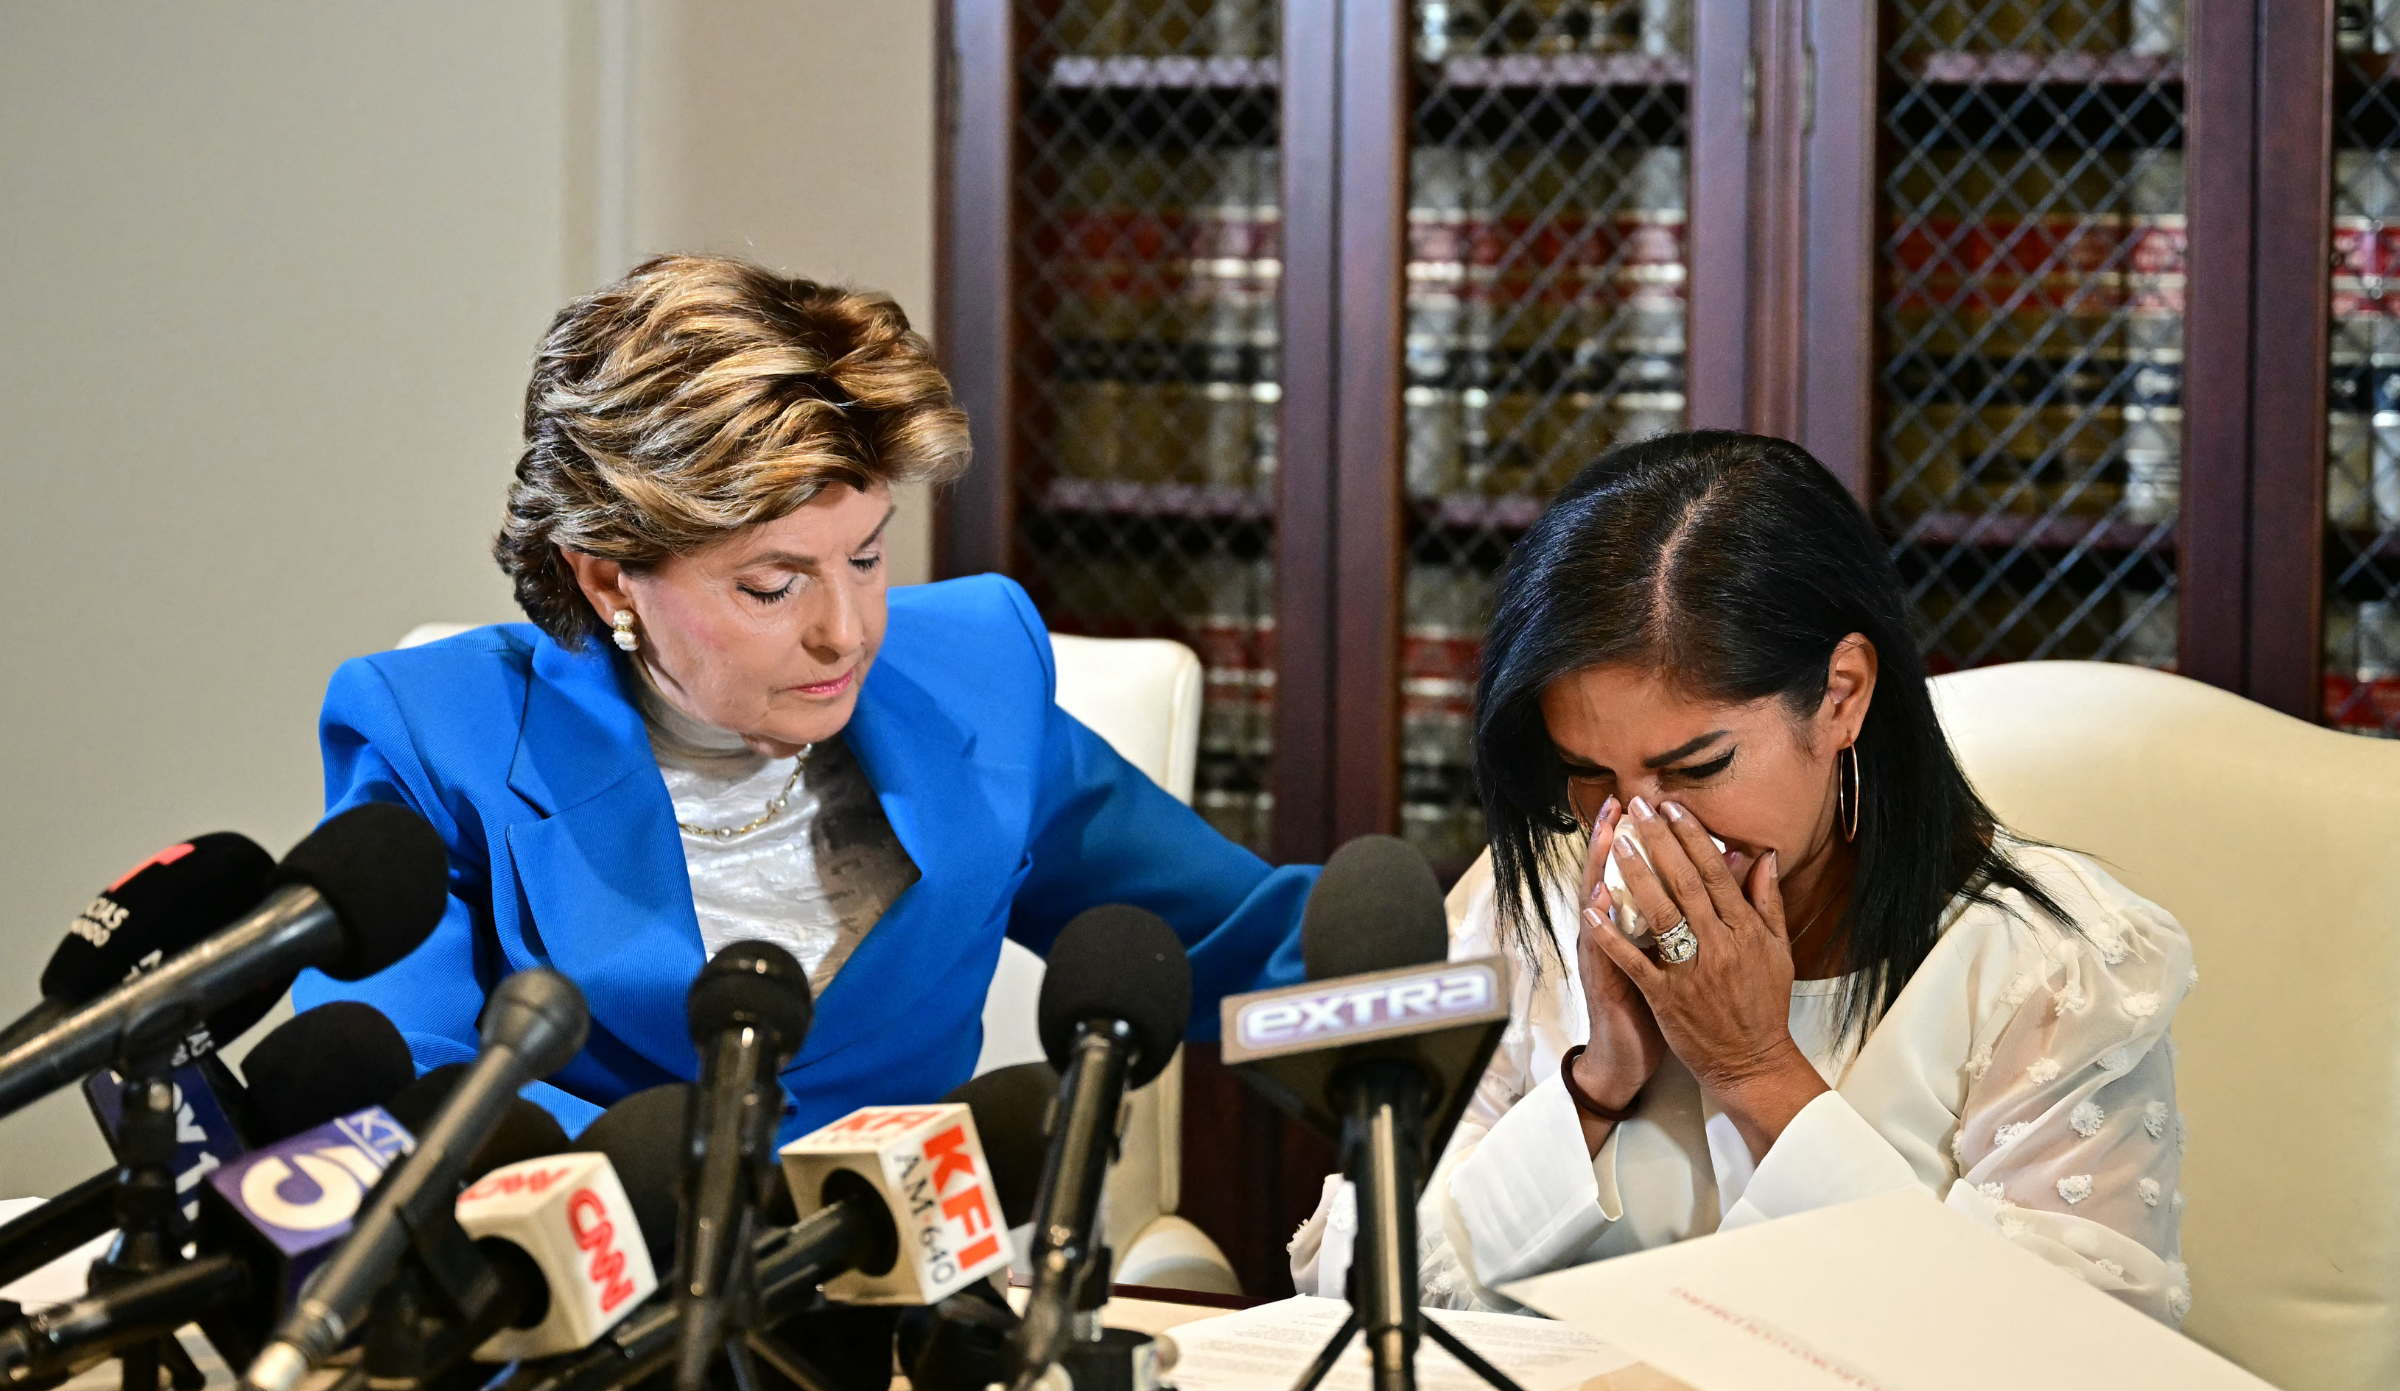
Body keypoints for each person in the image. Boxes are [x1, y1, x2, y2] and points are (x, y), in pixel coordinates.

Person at [295, 255, 1314, 1138]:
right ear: (609, 577)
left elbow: (1253, 945)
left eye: (866, 556)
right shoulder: (441, 739)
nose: (847, 629)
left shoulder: (980, 678)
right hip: (575, 1312)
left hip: (901, 1318)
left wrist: (1464, 961)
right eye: (772, 584)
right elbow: (390, 1103)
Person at [1291, 431, 2192, 1324]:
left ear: (1841, 695)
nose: (1643, 830)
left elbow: (2071, 1365)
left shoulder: (2049, 967)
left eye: (1695, 769)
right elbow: (1363, 1298)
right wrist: (1596, 1082)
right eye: (1593, 776)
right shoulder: (1535, 899)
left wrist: (1755, 1069)